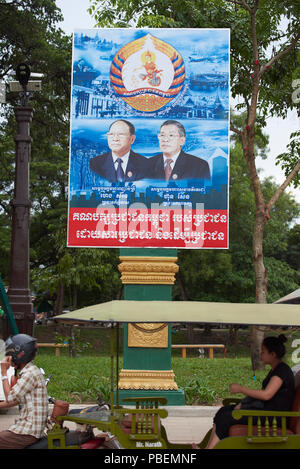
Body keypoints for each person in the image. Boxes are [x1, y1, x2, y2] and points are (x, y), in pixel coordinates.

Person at [194, 334, 295, 449]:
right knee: (223, 411)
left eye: (263, 351)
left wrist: (241, 389)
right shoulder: (275, 370)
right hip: (265, 413)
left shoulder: (282, 370)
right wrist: (243, 405)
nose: (261, 354)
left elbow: (266, 395)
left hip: (273, 417)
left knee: (227, 417)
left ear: (273, 354)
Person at [0, 334, 49, 449]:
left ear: (19, 354)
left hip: (29, 430)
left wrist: (3, 373)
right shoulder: (31, 371)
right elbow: (15, 401)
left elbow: (10, 398)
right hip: (30, 427)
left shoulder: (29, 374)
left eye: (9, 353)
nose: (7, 356)